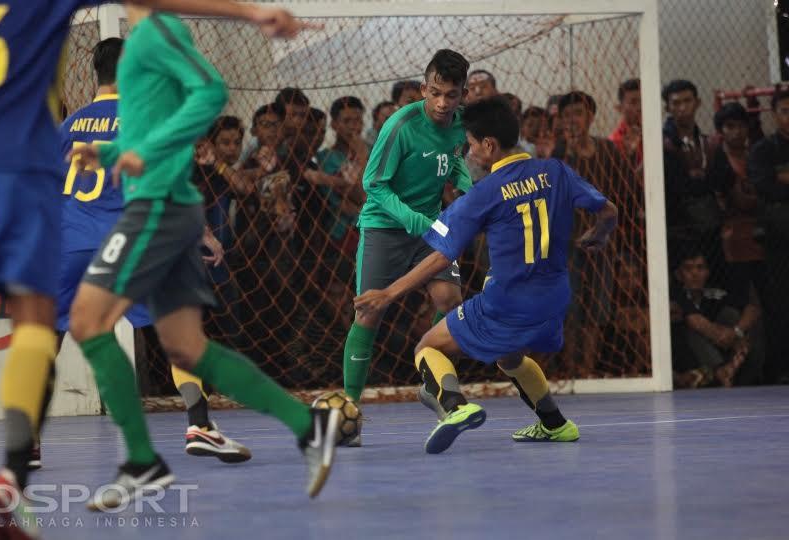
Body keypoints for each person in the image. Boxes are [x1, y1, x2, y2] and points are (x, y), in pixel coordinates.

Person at [0, 0, 316, 537]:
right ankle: (198, 424)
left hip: (42, 223)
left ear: (95, 72)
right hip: (120, 237)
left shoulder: (71, 124)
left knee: (29, 330)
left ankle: (15, 448)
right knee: (176, 331)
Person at [67, 4, 339, 507]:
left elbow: (210, 94)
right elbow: (150, 128)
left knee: (87, 321)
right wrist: (109, 153)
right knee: (187, 348)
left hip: (157, 212)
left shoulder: (155, 34)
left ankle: (142, 460)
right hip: (166, 209)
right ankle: (308, 425)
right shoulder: (146, 39)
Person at [355, 97, 618, 454]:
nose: (470, 152)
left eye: (472, 144)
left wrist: (388, 293)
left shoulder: (485, 193)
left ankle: (455, 407)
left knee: (427, 347)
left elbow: (440, 256)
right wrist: (600, 234)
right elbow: (609, 211)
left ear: (489, 145)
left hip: (507, 303)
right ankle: (556, 425)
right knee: (509, 357)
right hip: (556, 298)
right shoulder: (556, 170)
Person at [54, 38, 250, 471]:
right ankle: (200, 425)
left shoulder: (68, 126)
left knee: (48, 337)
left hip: (69, 244)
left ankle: (26, 444)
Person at [341, 49, 474, 446]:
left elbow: (453, 160)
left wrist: (467, 187)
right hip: (384, 226)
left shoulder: (461, 124)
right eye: (435, 93)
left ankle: (433, 383)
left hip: (430, 225)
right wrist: (416, 221)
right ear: (423, 88)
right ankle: (350, 412)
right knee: (369, 312)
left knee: (450, 301)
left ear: (463, 94)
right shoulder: (400, 125)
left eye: (451, 95)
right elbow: (373, 184)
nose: (442, 103)